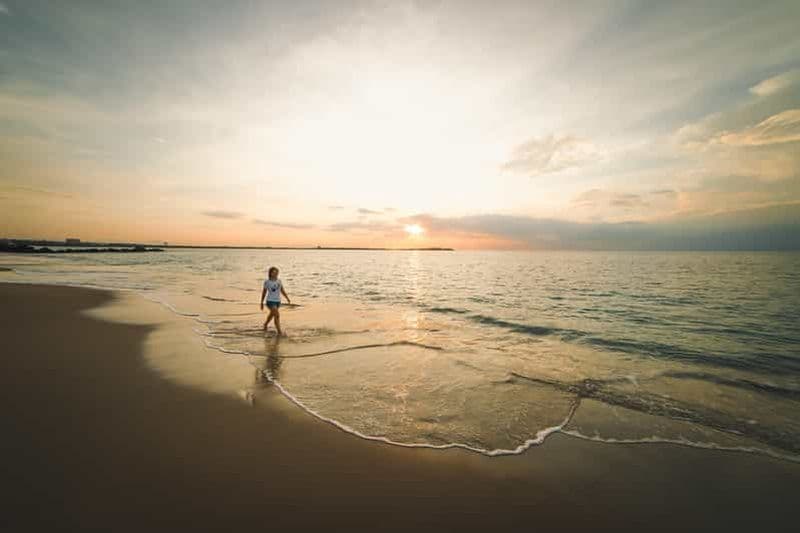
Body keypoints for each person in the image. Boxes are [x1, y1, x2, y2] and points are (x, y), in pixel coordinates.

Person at [260, 266, 291, 335]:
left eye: (277, 272)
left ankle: (265, 324)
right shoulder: (267, 282)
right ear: (270, 273)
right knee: (277, 315)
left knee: (272, 315)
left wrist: (287, 298)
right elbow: (264, 292)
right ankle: (279, 332)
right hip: (270, 301)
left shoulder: (279, 281)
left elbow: (282, 290)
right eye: (274, 272)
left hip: (278, 301)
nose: (276, 274)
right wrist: (261, 302)